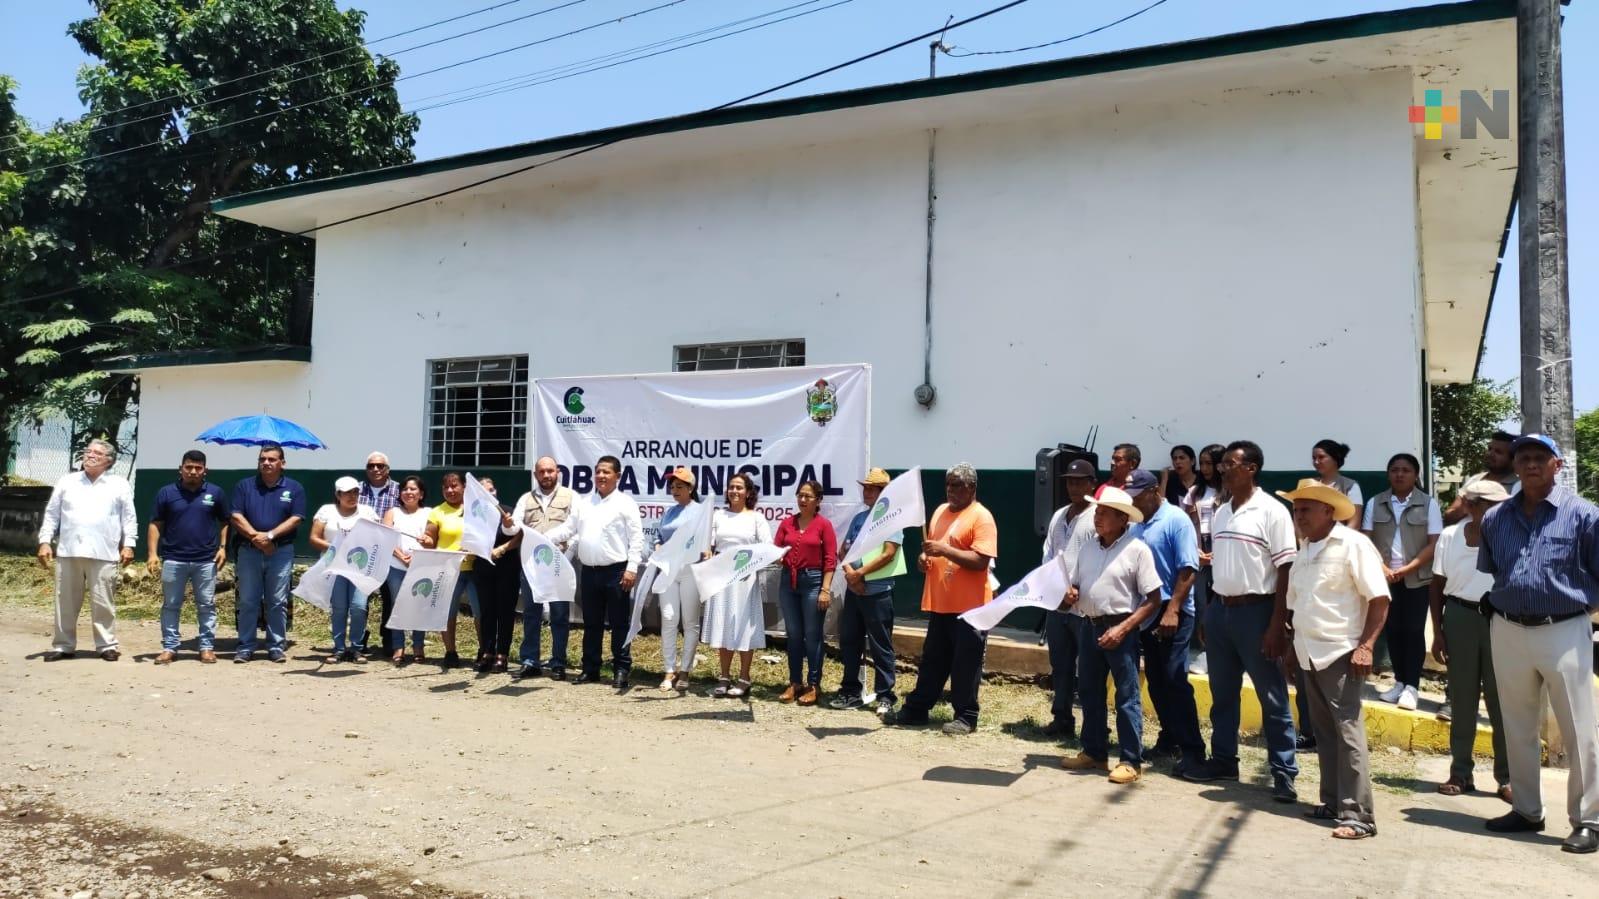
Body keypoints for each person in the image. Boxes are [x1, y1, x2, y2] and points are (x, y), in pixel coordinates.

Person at [1477, 433, 1599, 854]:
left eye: (1539, 458)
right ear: (1514, 466)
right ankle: (1527, 810)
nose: (1530, 464)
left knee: (1580, 730)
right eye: (1523, 457)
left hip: (1564, 629)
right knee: (1517, 725)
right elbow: (1494, 572)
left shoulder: (1585, 516)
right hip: (1508, 628)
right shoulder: (1495, 518)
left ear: (1556, 465)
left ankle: (1588, 820)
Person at [1184, 440, 1300, 803]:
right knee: (1223, 692)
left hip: (1258, 611)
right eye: (1222, 465)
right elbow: (1220, 564)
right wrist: (1210, 611)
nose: (1223, 470)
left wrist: (1277, 624)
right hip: (1221, 610)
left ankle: (1283, 773)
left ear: (1251, 468)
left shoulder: (1272, 511)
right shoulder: (1220, 511)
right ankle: (1223, 759)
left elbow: (1286, 570)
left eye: (1231, 464)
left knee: (1272, 697)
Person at [1277, 479, 1391, 840]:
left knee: (1348, 734)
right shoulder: (1305, 549)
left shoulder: (1354, 545)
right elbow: (1296, 606)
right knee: (1324, 733)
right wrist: (1293, 651)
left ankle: (1359, 815)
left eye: (1306, 509)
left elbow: (1379, 599)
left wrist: (1366, 646)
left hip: (1342, 652)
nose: (1299, 516)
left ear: (1328, 511)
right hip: (1309, 652)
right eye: (1296, 510)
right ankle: (1332, 802)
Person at [1060, 487, 1162, 784]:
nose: (1097, 518)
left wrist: (1123, 628)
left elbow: (1153, 599)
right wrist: (1071, 592)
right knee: (1090, 692)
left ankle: (1131, 759)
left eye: (1104, 513)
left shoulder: (1137, 549)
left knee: (1126, 696)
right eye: (1097, 512)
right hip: (1088, 625)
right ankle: (1094, 751)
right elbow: (1076, 583)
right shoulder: (1089, 547)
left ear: (1122, 519)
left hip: (1121, 629)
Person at [894, 463, 998, 735]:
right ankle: (917, 709)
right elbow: (932, 551)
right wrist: (924, 559)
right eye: (948, 484)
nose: (951, 490)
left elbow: (980, 561)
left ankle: (966, 716)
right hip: (941, 601)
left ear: (972, 488)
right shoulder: (940, 511)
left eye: (957, 485)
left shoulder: (981, 517)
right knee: (933, 660)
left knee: (966, 663)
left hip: (971, 606)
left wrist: (944, 550)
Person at [1429, 478, 1512, 801]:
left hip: (1499, 618)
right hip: (1460, 616)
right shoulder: (1450, 536)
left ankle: (1507, 778)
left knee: (1501, 700)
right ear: (1472, 505)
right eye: (1488, 505)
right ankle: (1460, 772)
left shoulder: (1509, 535)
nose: (1495, 511)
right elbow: (1436, 585)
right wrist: (1438, 632)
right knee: (1462, 699)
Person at [1126, 469, 1205, 775]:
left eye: (1138, 497)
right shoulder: (1136, 525)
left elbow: (1188, 568)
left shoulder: (1176, 520)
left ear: (1154, 492)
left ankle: (1193, 749)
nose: (1134, 503)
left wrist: (1173, 610)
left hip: (1174, 609)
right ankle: (1169, 737)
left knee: (1174, 678)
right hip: (1147, 609)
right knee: (1157, 681)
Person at [545, 455, 644, 692]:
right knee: (591, 624)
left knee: (619, 624)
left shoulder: (626, 503)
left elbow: (637, 539)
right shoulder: (584, 503)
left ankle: (621, 669)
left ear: (617, 477)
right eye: (598, 471)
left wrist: (631, 568)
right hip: (589, 572)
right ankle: (591, 668)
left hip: (617, 573)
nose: (601, 476)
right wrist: (542, 538)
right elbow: (569, 529)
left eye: (606, 472)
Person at [38, 439, 137, 662]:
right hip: (68, 551)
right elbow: (52, 514)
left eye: (97, 453)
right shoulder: (68, 481)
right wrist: (45, 541)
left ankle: (106, 645)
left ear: (108, 461)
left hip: (104, 552)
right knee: (65, 601)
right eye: (88, 451)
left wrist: (129, 544)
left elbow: (129, 518)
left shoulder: (119, 485)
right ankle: (64, 645)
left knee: (103, 602)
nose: (90, 455)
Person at [1361, 452, 1441, 711]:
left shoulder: (1428, 503)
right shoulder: (1376, 502)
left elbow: (1434, 543)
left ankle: (1412, 687)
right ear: (1388, 474)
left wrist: (1408, 568)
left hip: (1416, 578)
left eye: (1406, 470)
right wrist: (1382, 567)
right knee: (1393, 630)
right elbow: (1366, 539)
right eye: (1394, 469)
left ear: (1416, 475)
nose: (1400, 474)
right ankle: (1399, 682)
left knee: (1414, 631)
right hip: (1384, 578)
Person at [832, 468, 904, 718]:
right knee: (850, 642)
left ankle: (886, 696)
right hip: (855, 591)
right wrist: (852, 576)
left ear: (884, 492)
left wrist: (859, 575)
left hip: (878, 592)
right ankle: (851, 690)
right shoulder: (859, 518)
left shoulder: (892, 518)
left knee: (880, 645)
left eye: (871, 488)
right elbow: (844, 550)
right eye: (865, 487)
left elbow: (889, 553)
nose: (866, 491)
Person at [147, 450, 230, 664]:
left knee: (206, 605)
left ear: (205, 471)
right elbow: (156, 523)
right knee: (171, 604)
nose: (193, 471)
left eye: (198, 468)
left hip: (205, 560)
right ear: (181, 469)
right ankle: (170, 647)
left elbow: (225, 522)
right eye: (189, 467)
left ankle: (206, 647)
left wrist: (222, 547)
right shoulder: (166, 493)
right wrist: (152, 554)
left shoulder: (216, 493)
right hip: (174, 559)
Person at [229, 442, 306, 664]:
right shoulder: (245, 486)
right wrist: (257, 538)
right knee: (248, 600)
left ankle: (276, 646)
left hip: (280, 552)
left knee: (277, 601)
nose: (266, 463)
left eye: (272, 459)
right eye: (262, 459)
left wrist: (270, 536)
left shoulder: (294, 488)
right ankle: (245, 646)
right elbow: (235, 515)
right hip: (249, 552)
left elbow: (296, 518)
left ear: (282, 463)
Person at [1039, 459, 1099, 739]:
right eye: (1070, 481)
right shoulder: (1059, 515)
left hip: (1084, 605)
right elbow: (1049, 556)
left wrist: (1075, 589)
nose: (1074, 487)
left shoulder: (1098, 516)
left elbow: (1100, 559)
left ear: (1092, 484)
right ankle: (1062, 718)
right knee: (1060, 665)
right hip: (1057, 603)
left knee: (1088, 671)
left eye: (1080, 481)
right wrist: (1055, 589)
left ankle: (1093, 726)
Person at [702, 473, 771, 698]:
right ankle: (724, 676)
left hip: (745, 578)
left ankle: (744, 677)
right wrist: (707, 552)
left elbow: (767, 548)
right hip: (721, 576)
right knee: (723, 626)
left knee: (743, 627)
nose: (734, 491)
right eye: (731, 487)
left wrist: (750, 564)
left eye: (739, 488)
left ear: (749, 492)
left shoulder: (756, 518)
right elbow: (708, 544)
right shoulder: (718, 515)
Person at [772, 479, 838, 706]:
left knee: (813, 635)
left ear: (818, 500)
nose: (802, 499)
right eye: (800, 495)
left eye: (808, 496)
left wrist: (825, 589)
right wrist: (778, 556)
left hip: (813, 582)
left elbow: (830, 559)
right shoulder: (787, 523)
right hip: (788, 581)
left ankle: (813, 684)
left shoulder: (824, 525)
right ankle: (794, 682)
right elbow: (777, 548)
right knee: (793, 634)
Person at [511, 456, 576, 680]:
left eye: (550, 471)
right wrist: (508, 526)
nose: (546, 475)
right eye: (542, 472)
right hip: (532, 566)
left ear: (558, 472)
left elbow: (575, 526)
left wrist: (566, 551)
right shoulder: (525, 499)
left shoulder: (571, 497)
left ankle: (558, 663)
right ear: (535, 474)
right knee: (531, 614)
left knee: (559, 615)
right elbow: (514, 528)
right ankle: (530, 661)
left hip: (559, 564)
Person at [309, 477, 379, 663]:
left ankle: (356, 648)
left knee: (358, 607)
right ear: (338, 494)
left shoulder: (367, 512)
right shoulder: (327, 511)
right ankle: (339, 648)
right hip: (334, 568)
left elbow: (377, 538)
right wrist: (335, 547)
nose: (352, 496)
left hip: (359, 568)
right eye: (347, 492)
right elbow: (314, 538)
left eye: (355, 492)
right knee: (339, 608)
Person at [655, 467, 704, 693]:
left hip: (690, 571)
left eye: (680, 486)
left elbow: (705, 541)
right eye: (672, 486)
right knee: (668, 618)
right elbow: (658, 537)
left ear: (690, 489)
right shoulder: (669, 512)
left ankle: (685, 671)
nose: (675, 490)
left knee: (690, 622)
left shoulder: (701, 512)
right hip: (668, 572)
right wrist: (657, 547)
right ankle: (668, 669)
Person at [423, 472, 478, 669]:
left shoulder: (475, 509)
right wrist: (426, 540)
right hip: (447, 569)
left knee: (480, 613)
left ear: (464, 487)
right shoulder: (437, 512)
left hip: (474, 568)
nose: (450, 490)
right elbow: (430, 539)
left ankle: (483, 652)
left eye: (454, 486)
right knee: (448, 613)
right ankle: (450, 652)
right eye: (446, 487)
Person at [471, 477, 521, 673]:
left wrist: (502, 548)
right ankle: (487, 652)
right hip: (483, 569)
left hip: (507, 570)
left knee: (505, 613)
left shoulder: (507, 511)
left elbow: (519, 534)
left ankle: (502, 655)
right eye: (484, 491)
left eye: (491, 490)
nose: (489, 494)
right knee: (487, 613)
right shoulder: (474, 515)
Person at [1185, 443, 1226, 676]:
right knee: (1201, 602)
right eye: (1203, 463)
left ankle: (1217, 651)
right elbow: (1187, 524)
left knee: (1218, 601)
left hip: (1223, 549)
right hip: (1200, 549)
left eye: (1210, 463)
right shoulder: (1196, 492)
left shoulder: (1228, 491)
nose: (1206, 468)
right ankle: (1203, 650)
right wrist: (1196, 550)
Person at [382, 475, 431, 664]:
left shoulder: (429, 512)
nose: (409, 493)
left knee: (419, 606)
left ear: (421, 494)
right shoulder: (392, 512)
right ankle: (398, 646)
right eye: (405, 489)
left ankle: (418, 645)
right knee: (397, 606)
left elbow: (431, 540)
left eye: (413, 489)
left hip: (420, 566)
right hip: (396, 566)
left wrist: (425, 544)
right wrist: (401, 556)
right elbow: (385, 538)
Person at [358, 451, 400, 657]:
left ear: (387, 469)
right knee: (360, 598)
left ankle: (389, 638)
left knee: (390, 598)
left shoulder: (399, 490)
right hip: (362, 554)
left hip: (390, 553)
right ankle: (359, 638)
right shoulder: (355, 490)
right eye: (371, 465)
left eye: (380, 466)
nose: (375, 469)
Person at [1444, 430, 1519, 525]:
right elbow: (1448, 516)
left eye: (1498, 452)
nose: (1490, 454)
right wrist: (1466, 507)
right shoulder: (1475, 480)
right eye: (1489, 449)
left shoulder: (1519, 486)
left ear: (1513, 460)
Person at [1310, 439, 1363, 528]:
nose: (1316, 462)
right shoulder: (1309, 484)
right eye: (1314, 458)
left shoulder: (1350, 486)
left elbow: (1354, 523)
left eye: (1321, 457)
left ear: (1335, 458)